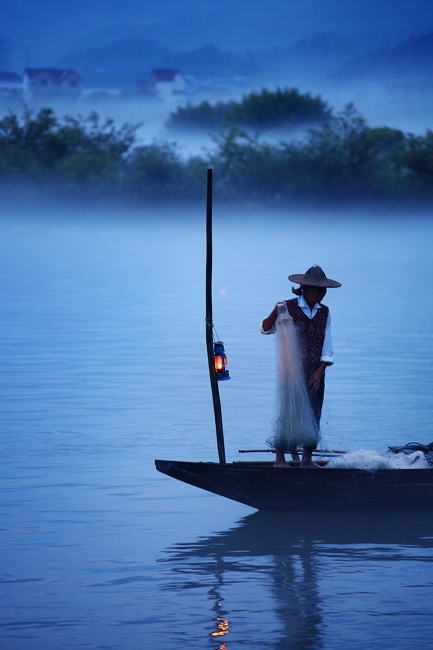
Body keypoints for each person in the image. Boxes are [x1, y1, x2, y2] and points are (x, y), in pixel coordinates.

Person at [261, 264, 341, 468]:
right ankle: (279, 460)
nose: (322, 293)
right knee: (288, 413)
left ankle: (306, 459)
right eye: (318, 289)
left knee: (314, 413)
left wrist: (320, 372)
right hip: (291, 373)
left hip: (315, 372)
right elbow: (265, 329)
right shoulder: (287, 307)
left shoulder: (325, 312)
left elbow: (327, 346)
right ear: (305, 288)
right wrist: (275, 311)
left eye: (324, 290)